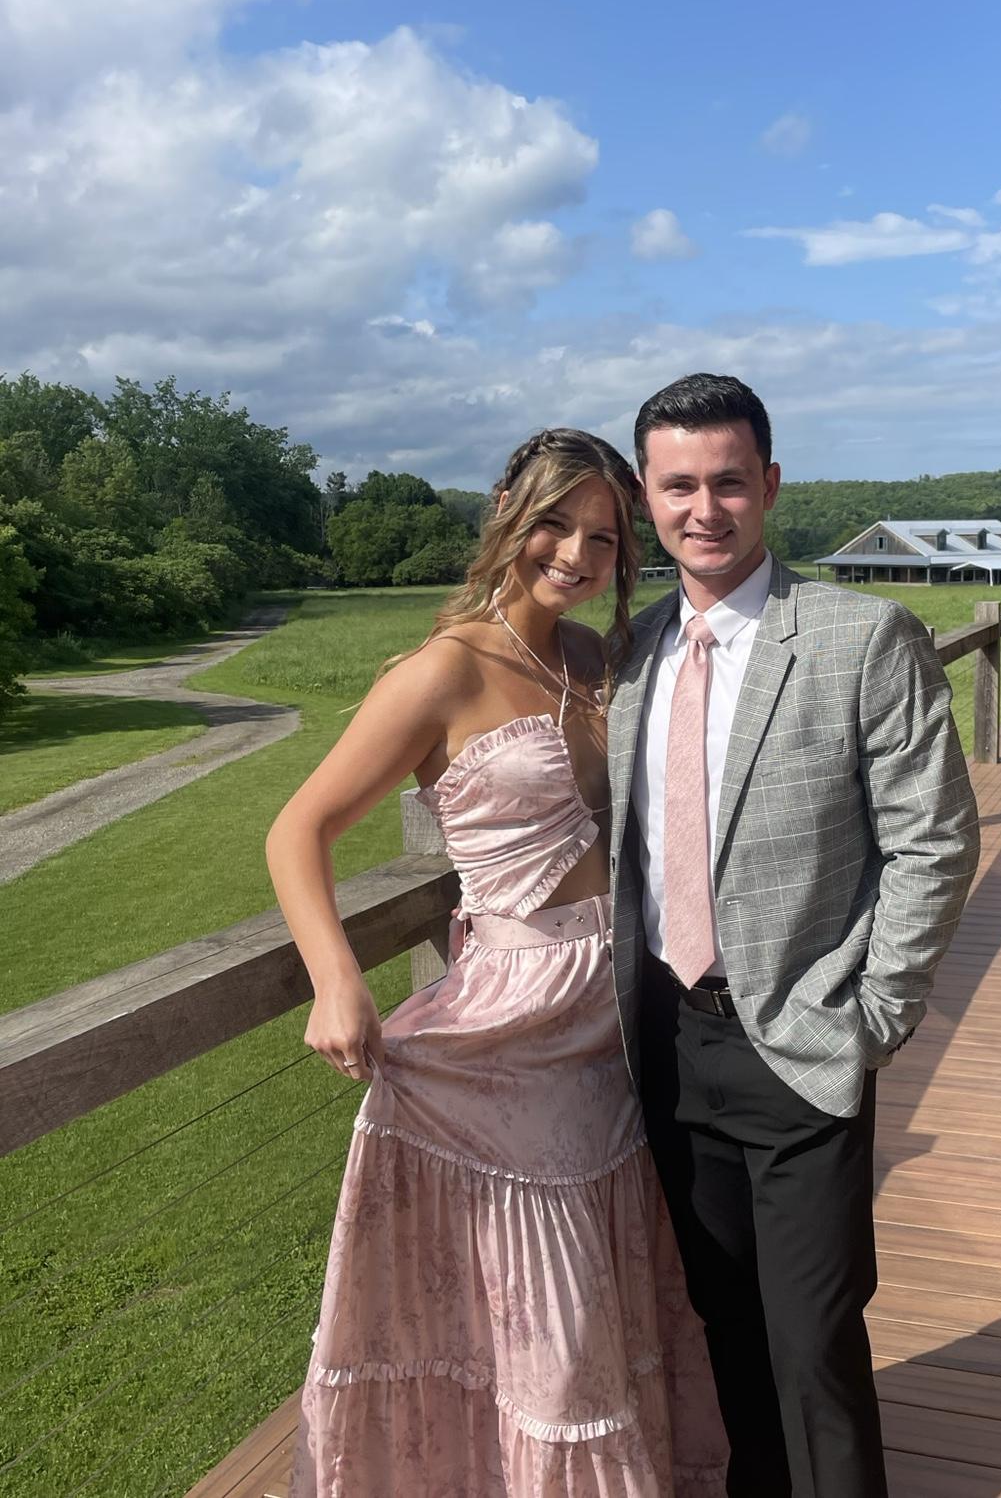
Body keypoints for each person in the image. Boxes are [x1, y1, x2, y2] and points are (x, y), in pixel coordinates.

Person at [266, 428, 727, 1497]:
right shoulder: (443, 670)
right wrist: (337, 979)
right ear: (509, 520)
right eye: (555, 525)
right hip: (506, 1029)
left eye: (604, 538)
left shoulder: (596, 659)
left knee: (607, 1278)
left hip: (617, 1013)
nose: (577, 554)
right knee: (554, 1310)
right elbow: (299, 830)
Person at [607, 373, 980, 1497]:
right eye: (678, 486)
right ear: (646, 496)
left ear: (769, 485)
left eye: (728, 482)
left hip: (804, 1040)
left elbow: (934, 841)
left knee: (812, 1341)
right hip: (669, 1041)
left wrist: (875, 1016)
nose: (704, 509)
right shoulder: (629, 654)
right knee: (724, 1321)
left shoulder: (862, 638)